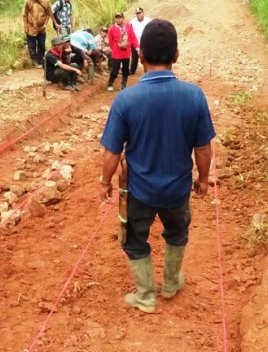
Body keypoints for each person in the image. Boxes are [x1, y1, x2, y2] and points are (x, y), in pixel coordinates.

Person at [99, 18, 215, 313]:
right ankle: (171, 283)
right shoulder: (194, 96)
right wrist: (202, 179)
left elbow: (112, 151)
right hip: (178, 190)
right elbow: (202, 147)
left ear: (141, 55)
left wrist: (105, 183)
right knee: (177, 233)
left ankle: (146, 295)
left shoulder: (126, 100)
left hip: (140, 190)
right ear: (176, 56)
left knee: (135, 239)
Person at [22, 0, 53, 68]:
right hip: (31, 27)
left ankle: (41, 60)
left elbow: (48, 13)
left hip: (42, 28)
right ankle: (34, 62)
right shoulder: (28, 0)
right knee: (32, 46)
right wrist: (25, 26)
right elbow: (24, 14)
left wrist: (45, 24)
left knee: (42, 45)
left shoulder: (46, 0)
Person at [107, 11, 138, 92]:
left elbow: (133, 37)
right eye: (117, 17)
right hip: (116, 53)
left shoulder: (128, 26)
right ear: (115, 19)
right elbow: (110, 42)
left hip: (126, 53)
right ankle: (110, 83)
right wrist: (115, 49)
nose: (118, 19)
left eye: (120, 17)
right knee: (115, 70)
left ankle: (123, 85)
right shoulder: (112, 29)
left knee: (126, 70)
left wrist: (137, 47)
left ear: (123, 18)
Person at [129, 7, 152, 75]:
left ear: (143, 12)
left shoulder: (149, 21)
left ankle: (149, 71)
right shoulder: (132, 21)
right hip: (135, 43)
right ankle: (132, 70)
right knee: (134, 58)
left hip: (145, 43)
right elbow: (130, 31)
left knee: (146, 57)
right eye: (137, 13)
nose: (138, 15)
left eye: (139, 13)